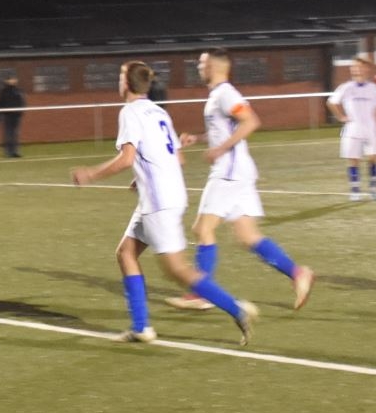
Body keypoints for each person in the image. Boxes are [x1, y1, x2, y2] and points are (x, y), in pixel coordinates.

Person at [70, 61, 255, 345]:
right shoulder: (159, 111)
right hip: (167, 194)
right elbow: (177, 157)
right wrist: (143, 177)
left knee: (177, 270)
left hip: (159, 200)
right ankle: (141, 328)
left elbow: (127, 159)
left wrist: (90, 174)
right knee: (126, 253)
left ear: (126, 84)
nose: (119, 82)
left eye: (120, 77)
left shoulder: (130, 112)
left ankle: (236, 308)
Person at [166, 49, 315, 313]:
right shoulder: (217, 95)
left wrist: (220, 149)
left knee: (202, 229)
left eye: (201, 63)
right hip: (239, 171)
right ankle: (297, 273)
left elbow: (250, 121)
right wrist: (199, 139)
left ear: (212, 66)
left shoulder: (226, 94)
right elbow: (227, 130)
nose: (198, 67)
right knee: (248, 236)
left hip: (230, 171)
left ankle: (200, 293)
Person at [326, 55, 376, 201]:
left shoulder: (373, 88)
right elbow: (331, 102)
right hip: (353, 129)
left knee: (373, 158)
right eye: (354, 66)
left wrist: (375, 124)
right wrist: (341, 117)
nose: (356, 69)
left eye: (359, 66)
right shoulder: (346, 87)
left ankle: (373, 189)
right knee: (353, 160)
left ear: (367, 69)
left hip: (370, 129)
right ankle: (355, 190)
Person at [0, 75, 25, 158]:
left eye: (14, 79)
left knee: (16, 134)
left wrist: (20, 111)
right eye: (12, 79)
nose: (14, 81)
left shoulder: (18, 90)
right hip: (7, 115)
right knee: (8, 134)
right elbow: (0, 103)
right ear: (7, 81)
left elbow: (22, 101)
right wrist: (1, 114)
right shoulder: (3, 91)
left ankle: (15, 151)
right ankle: (8, 152)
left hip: (16, 115)